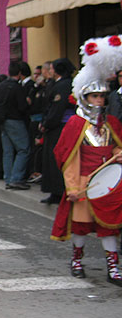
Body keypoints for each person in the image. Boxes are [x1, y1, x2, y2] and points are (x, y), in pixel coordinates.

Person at [51, 36, 122, 286]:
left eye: (102, 97)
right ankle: (77, 260)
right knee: (81, 226)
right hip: (83, 182)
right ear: (85, 98)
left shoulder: (112, 124)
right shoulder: (75, 124)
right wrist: (71, 187)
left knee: (109, 227)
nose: (99, 101)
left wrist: (118, 155)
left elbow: (118, 149)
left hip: (108, 184)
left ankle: (113, 267)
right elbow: (68, 157)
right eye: (94, 97)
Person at [40, 58, 76, 204]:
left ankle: (59, 191)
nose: (50, 71)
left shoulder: (63, 85)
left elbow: (57, 108)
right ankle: (55, 191)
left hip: (60, 127)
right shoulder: (61, 83)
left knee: (57, 159)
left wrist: (47, 124)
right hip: (58, 126)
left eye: (52, 68)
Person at [0, 61, 31, 190]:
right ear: (19, 73)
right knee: (23, 149)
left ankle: (8, 178)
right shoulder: (17, 87)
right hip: (15, 120)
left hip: (2, 121)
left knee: (7, 151)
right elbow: (22, 107)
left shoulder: (2, 86)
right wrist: (28, 102)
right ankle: (16, 178)